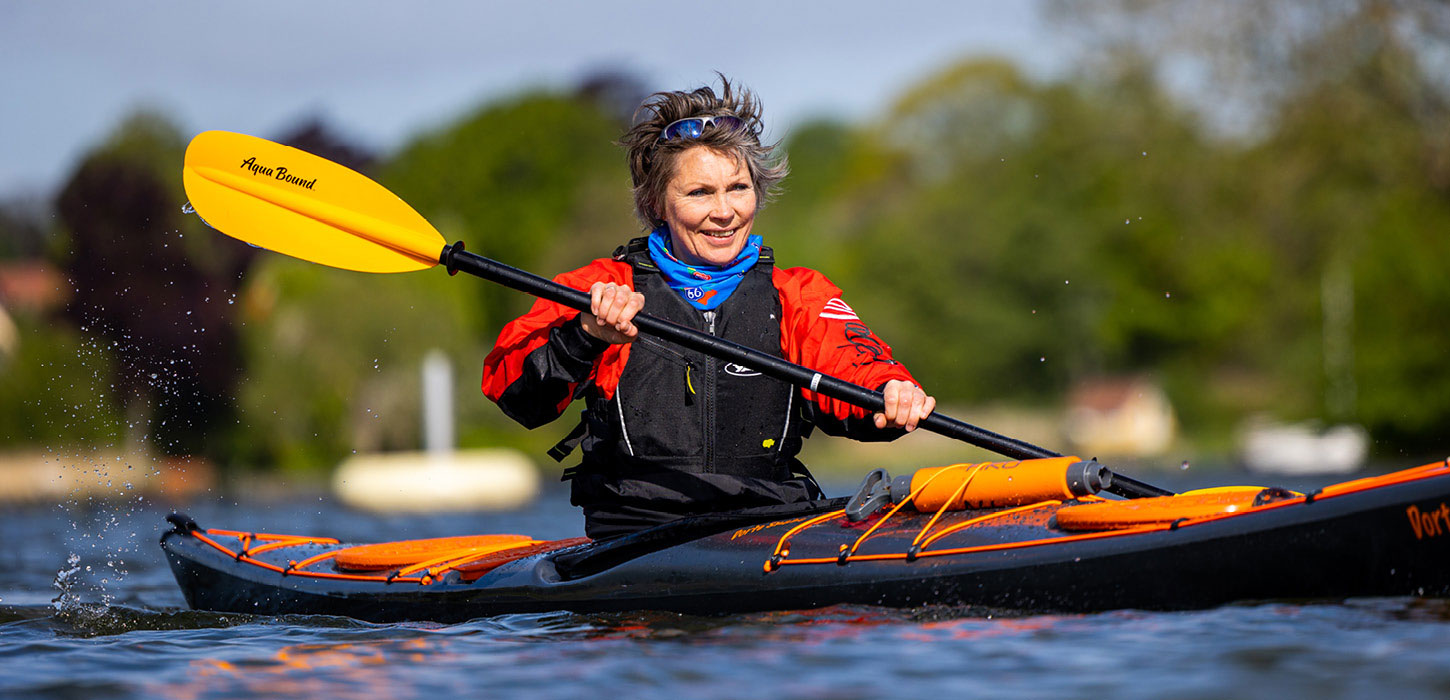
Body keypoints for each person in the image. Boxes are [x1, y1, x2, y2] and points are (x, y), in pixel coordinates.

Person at [482, 78, 935, 539]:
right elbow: (514, 394)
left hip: (767, 527)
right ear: (657, 202)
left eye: (737, 188)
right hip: (635, 535)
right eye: (699, 193)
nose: (725, 212)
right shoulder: (601, 288)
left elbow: (855, 367)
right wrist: (585, 336)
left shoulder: (798, 294)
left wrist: (892, 391)